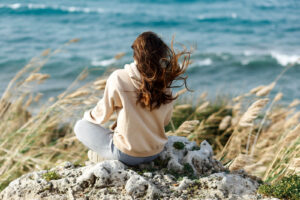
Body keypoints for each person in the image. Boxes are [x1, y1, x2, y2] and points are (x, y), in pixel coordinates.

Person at [74, 31, 192, 166]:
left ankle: (104, 157)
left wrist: (86, 116)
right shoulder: (163, 83)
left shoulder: (119, 77)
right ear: (160, 56)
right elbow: (165, 121)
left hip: (126, 154)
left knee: (80, 126)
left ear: (135, 53)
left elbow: (101, 116)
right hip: (154, 152)